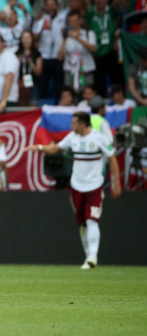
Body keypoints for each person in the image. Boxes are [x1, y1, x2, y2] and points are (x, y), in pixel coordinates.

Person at [24, 111, 121, 269]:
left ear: (82, 125)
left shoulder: (99, 138)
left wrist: (117, 183)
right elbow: (56, 149)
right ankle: (88, 256)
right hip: (77, 186)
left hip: (94, 186)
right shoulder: (72, 137)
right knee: (82, 223)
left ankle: (92, 256)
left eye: (74, 123)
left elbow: (112, 158)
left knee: (92, 220)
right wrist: (39, 147)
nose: (71, 125)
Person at [85, 0, 123, 96]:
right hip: (97, 54)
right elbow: (83, 3)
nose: (100, 0)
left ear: (107, 0)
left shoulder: (111, 11)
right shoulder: (91, 13)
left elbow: (118, 2)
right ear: (94, 0)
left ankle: (119, 101)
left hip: (111, 52)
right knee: (98, 83)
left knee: (117, 80)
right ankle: (100, 105)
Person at [33, 0, 66, 101]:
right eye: (48, 5)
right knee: (42, 86)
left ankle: (58, 107)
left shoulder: (63, 19)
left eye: (53, 4)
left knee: (58, 87)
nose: (51, 7)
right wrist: (42, 29)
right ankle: (41, 108)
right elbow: (34, 38)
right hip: (44, 57)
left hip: (58, 57)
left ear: (57, 6)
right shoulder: (40, 20)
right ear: (45, 7)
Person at [58, 10, 96, 94]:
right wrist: (64, 38)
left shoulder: (89, 34)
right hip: (70, 70)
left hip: (86, 69)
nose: (72, 23)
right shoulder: (65, 37)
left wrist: (78, 38)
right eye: (70, 21)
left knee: (87, 94)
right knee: (70, 95)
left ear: (80, 20)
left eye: (75, 21)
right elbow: (60, 57)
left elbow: (93, 49)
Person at [16, 31, 42, 106]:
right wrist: (18, 63)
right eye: (24, 38)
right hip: (20, 86)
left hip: (33, 85)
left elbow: (38, 72)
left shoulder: (37, 54)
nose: (26, 40)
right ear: (21, 40)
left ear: (32, 39)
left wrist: (30, 62)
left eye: (28, 37)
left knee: (33, 109)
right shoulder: (17, 54)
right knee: (20, 108)